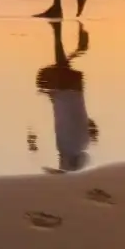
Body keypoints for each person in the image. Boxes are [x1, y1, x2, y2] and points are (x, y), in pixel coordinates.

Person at [36, 21, 98, 172]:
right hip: (65, 92)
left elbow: (79, 120)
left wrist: (50, 95)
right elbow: (64, 116)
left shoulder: (83, 143)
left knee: (60, 65)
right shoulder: (67, 146)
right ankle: (59, 32)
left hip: (76, 90)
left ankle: (76, 47)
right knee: (58, 64)